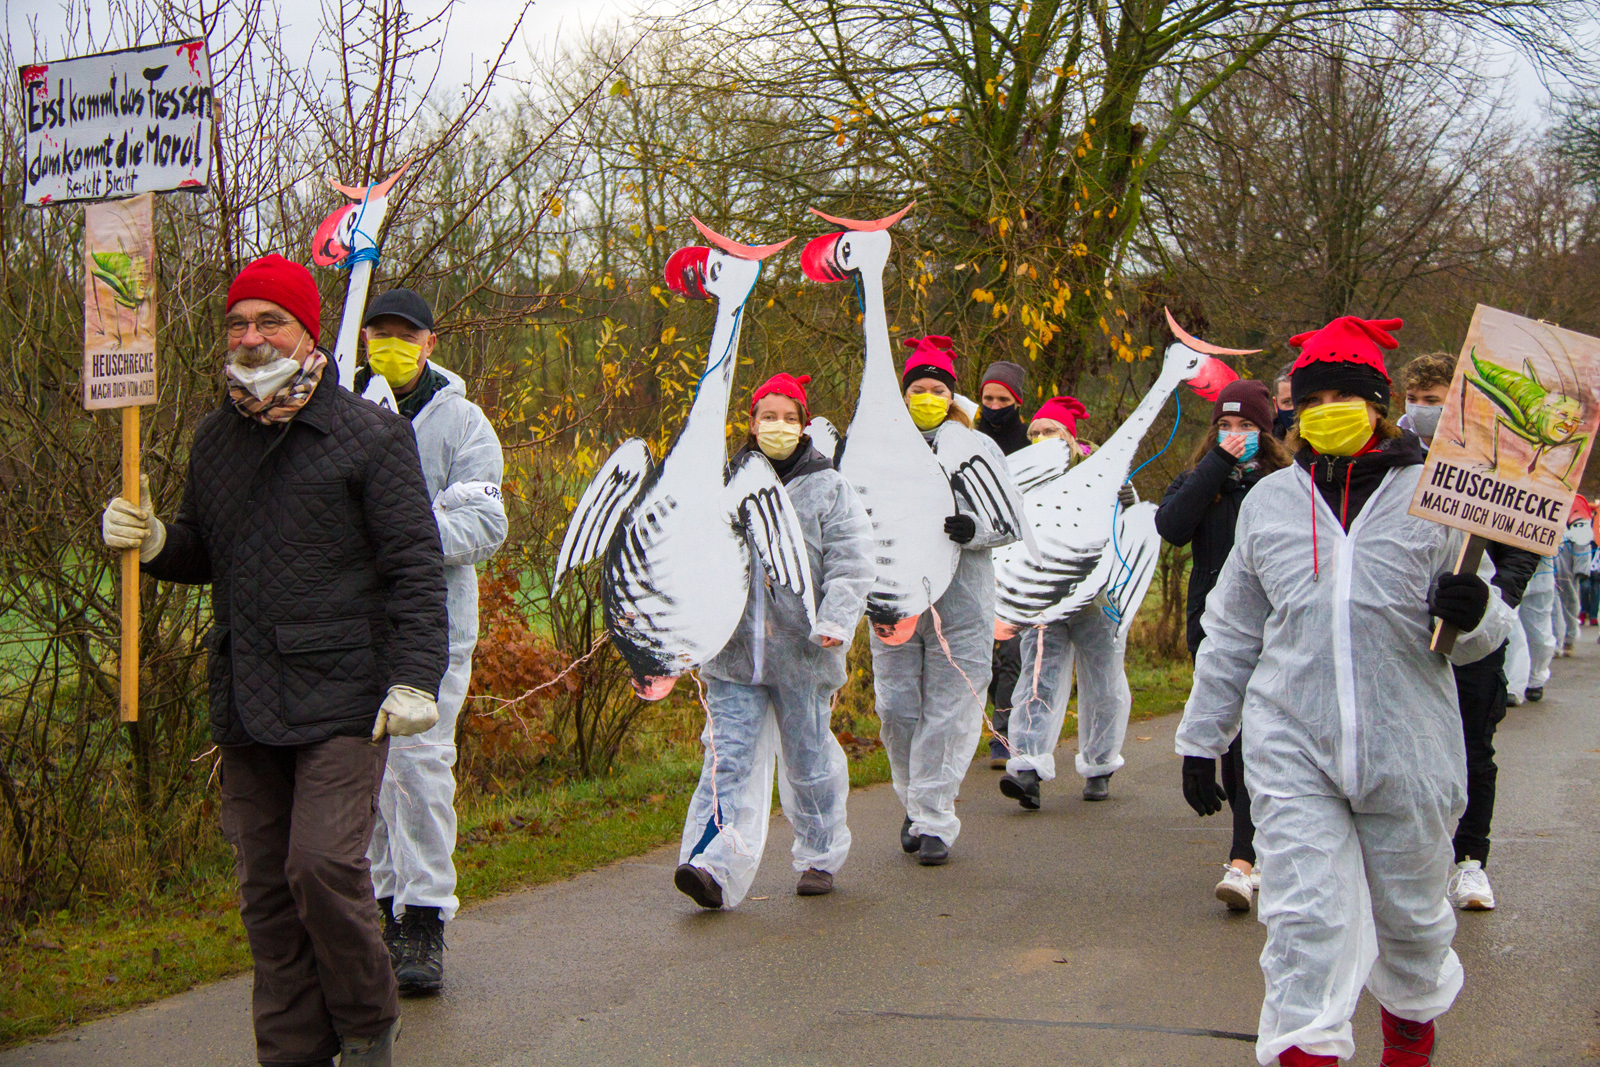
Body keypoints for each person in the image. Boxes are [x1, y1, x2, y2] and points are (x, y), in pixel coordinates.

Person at [101, 256, 448, 1067]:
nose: (252, 338)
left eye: (270, 322)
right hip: (248, 697)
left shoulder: (370, 434)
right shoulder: (214, 440)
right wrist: (154, 542)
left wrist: (414, 676)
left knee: (322, 865)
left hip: (346, 696)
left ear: (306, 330)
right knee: (265, 892)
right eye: (238, 324)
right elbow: (204, 549)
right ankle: (291, 1048)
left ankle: (366, 1024)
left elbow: (414, 565)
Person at [1174, 316, 1513, 1067]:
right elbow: (1231, 630)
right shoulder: (1271, 502)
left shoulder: (1438, 499)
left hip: (1410, 746)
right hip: (1293, 743)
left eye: (1344, 394)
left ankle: (1409, 1034)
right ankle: (1306, 1050)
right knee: (1304, 923)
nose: (1327, 407)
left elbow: (1493, 643)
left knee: (1414, 925)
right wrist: (1203, 738)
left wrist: (1474, 610)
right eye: (1314, 395)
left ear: (1378, 402)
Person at [353, 289, 506, 994]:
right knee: (365, 773)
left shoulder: (464, 423)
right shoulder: (342, 410)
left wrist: (395, 529)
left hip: (434, 626)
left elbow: (482, 522)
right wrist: (426, 510)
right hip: (351, 625)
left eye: (402, 334)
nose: (389, 344)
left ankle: (423, 916)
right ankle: (383, 906)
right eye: (377, 333)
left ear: (429, 342)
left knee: (418, 766)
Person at [674, 373, 874, 908]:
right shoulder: (726, 483)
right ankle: (709, 864)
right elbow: (696, 558)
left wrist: (836, 619)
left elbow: (852, 560)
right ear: (751, 422)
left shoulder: (829, 487)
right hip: (734, 656)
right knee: (726, 758)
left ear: (805, 424)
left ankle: (818, 855)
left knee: (808, 759)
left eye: (789, 418)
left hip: (806, 654)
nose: (778, 427)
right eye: (769, 417)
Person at [872, 337, 1020, 866]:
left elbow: (1011, 521)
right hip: (894, 598)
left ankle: (934, 818)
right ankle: (915, 802)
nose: (927, 396)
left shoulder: (976, 449)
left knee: (951, 706)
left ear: (952, 395)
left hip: (962, 599)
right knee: (897, 707)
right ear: (903, 393)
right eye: (919, 388)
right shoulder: (879, 446)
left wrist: (973, 528)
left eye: (937, 389)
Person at [1401, 351, 1538, 913]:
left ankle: (1470, 862)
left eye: (1436, 401)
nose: (1423, 411)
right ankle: (1413, 857)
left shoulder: (1494, 464)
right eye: (1417, 400)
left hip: (1476, 631)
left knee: (1473, 747)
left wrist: (1497, 601)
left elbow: (1521, 546)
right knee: (1408, 748)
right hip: (1407, 629)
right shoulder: (1397, 457)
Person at [1155, 379, 1289, 911]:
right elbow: (1172, 526)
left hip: (1275, 631)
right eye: (1226, 426)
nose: (1235, 435)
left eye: (1247, 427)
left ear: (1267, 431)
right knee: (1233, 739)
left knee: (1261, 737)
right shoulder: (1199, 479)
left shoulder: (1284, 484)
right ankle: (1250, 847)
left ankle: (1243, 857)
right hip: (1213, 628)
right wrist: (1215, 467)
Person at [998, 395, 1138, 808]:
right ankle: (1027, 768)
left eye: (1051, 432)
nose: (1041, 440)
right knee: (1038, 676)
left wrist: (1125, 503)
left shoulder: (1104, 475)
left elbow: (1128, 534)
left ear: (1072, 440)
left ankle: (1100, 764)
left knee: (1104, 682)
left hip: (1099, 601)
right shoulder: (1020, 480)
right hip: (1045, 597)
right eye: (1035, 433)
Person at [974, 360, 1030, 767]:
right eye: (988, 398)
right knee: (983, 654)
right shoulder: (967, 440)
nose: (994, 405)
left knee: (1011, 651)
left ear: (1017, 401)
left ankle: (1004, 735)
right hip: (975, 553)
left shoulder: (1031, 444)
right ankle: (996, 719)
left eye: (1002, 399)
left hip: (1018, 558)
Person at [1271, 361, 1296, 438]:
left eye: (1302, 400)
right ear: (1276, 405)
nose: (1295, 408)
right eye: (1287, 402)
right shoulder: (1266, 447)